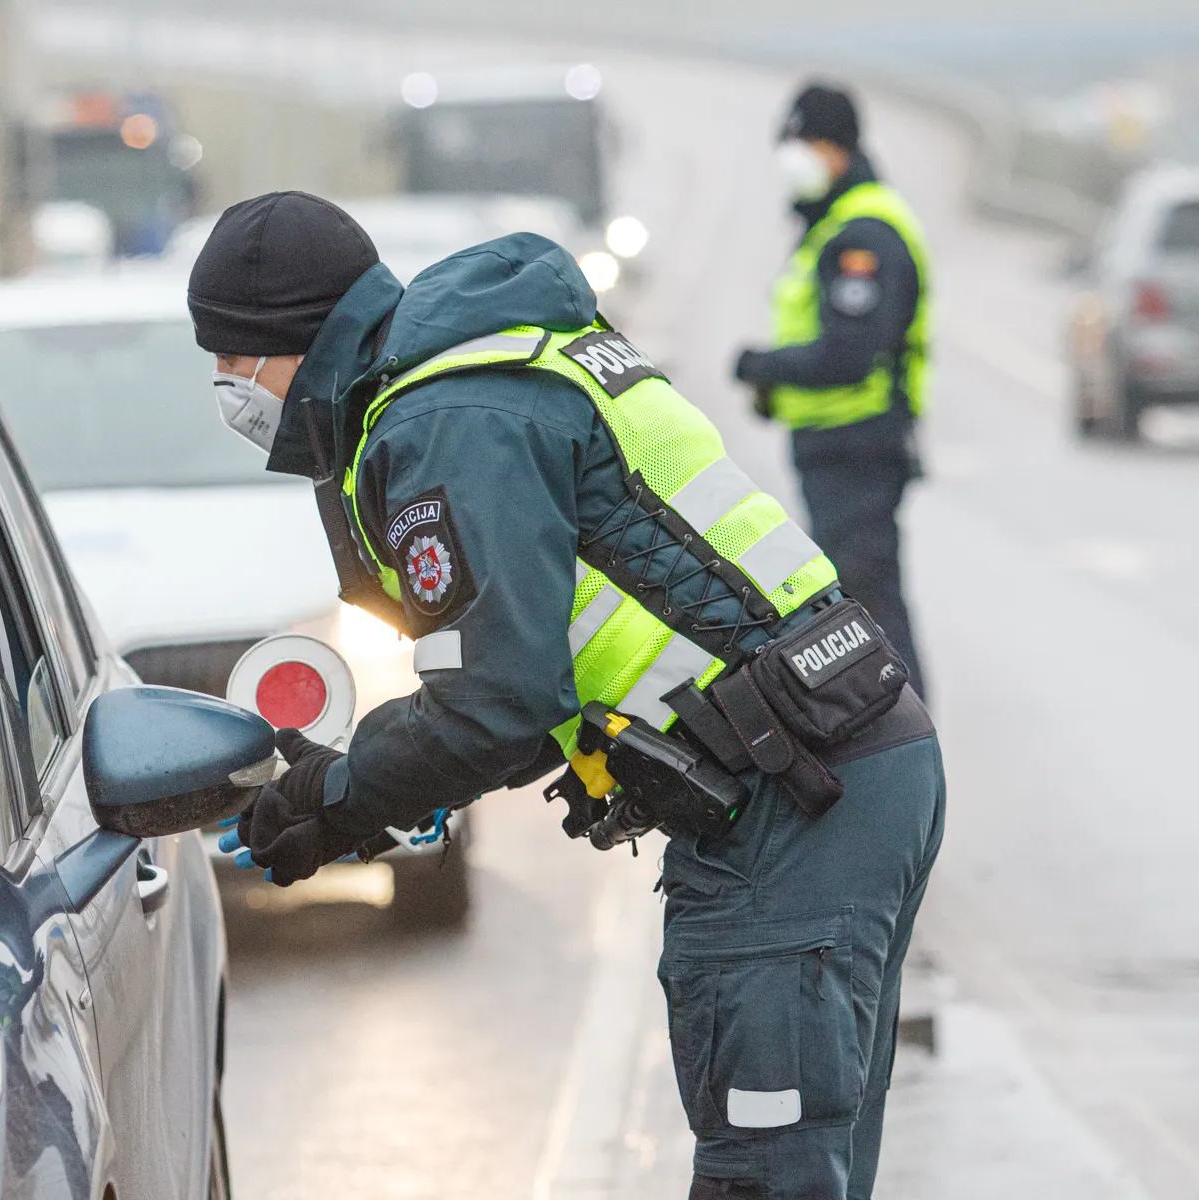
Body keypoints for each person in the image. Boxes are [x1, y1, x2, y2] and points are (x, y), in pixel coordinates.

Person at [191, 191, 945, 1199]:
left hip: (793, 807)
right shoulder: (498, 363)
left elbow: (496, 699)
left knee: (769, 1176)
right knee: (809, 1169)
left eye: (231, 361)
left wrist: (334, 801)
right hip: (846, 763)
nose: (227, 387)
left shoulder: (450, 418)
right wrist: (397, 791)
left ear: (291, 343)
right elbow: (544, 677)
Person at [733, 82, 931, 698]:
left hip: (859, 445)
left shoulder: (864, 234)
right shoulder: (834, 224)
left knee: (871, 611)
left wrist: (763, 367)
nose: (796, 157)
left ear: (837, 148)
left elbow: (848, 355)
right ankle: (890, 739)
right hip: (835, 447)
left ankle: (909, 742)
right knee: (856, 609)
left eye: (807, 143)